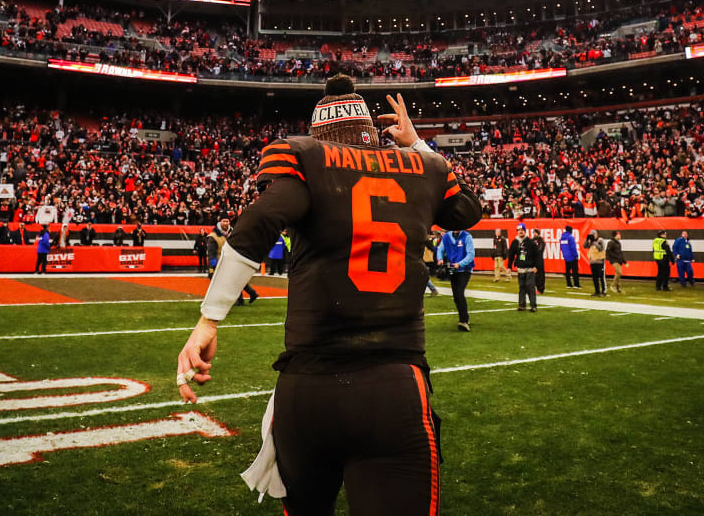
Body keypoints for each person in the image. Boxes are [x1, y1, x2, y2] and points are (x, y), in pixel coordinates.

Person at [174, 77, 482, 514]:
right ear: (371, 135)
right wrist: (417, 145)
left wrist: (209, 319)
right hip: (393, 387)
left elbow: (256, 224)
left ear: (320, 137)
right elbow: (468, 210)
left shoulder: (306, 160)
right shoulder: (423, 171)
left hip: (308, 390)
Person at [438, 227, 476, 331]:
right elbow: (440, 248)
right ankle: (465, 318)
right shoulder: (446, 236)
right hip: (453, 269)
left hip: (465, 269)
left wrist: (460, 264)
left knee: (459, 293)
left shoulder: (467, 237)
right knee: (456, 296)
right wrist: (440, 259)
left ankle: (463, 321)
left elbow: (471, 254)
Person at [507, 223, 542, 310]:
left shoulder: (531, 242)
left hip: (530, 268)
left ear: (525, 231)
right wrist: (509, 267)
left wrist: (537, 266)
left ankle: (533, 306)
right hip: (520, 269)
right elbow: (511, 255)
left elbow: (537, 255)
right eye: (519, 230)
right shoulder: (515, 242)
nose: (520, 232)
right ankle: (522, 305)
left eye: (522, 230)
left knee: (530, 286)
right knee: (521, 287)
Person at [585, 230, 607, 296]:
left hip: (600, 262)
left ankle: (603, 291)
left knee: (601, 277)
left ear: (596, 234)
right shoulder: (590, 242)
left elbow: (601, 248)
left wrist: (594, 242)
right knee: (594, 278)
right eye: (591, 234)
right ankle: (597, 291)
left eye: (594, 234)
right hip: (592, 262)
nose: (593, 236)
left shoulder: (600, 240)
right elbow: (584, 246)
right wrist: (587, 240)